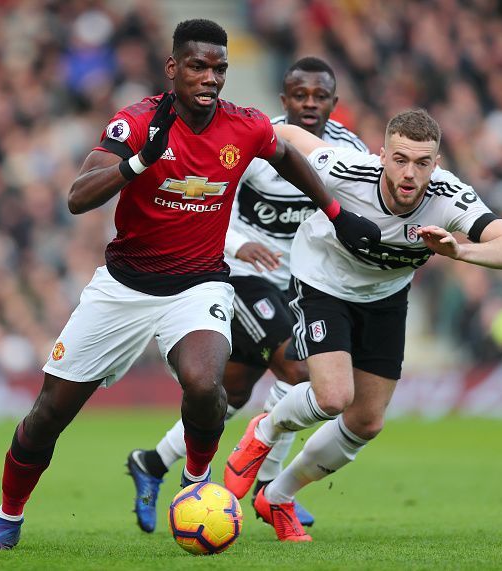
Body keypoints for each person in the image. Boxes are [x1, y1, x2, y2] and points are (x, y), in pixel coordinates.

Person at [0, 19, 381, 551]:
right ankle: (8, 516)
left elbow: (288, 157)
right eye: (198, 66)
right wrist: (140, 160)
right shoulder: (136, 122)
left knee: (204, 382)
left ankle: (194, 484)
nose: (210, 78)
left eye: (219, 69)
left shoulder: (246, 126)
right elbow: (78, 197)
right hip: (123, 287)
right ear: (173, 68)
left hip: (200, 285)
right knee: (49, 413)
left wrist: (336, 212)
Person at [224, 109, 502, 542]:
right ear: (382, 155)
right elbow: (289, 134)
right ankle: (264, 429)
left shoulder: (449, 195)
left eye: (422, 163)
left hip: (386, 297)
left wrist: (459, 251)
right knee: (334, 397)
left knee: (366, 422)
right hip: (324, 282)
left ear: (437, 163)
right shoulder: (347, 170)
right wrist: (234, 128)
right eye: (400, 159)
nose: (410, 174)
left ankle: (278, 496)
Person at [126, 56, 369, 533]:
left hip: (300, 285)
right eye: (300, 95)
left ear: (334, 104)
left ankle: (151, 463)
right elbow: (209, 201)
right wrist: (241, 244)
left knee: (232, 392)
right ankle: (268, 489)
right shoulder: (258, 140)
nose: (310, 104)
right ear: (285, 99)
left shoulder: (348, 150)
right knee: (299, 371)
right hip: (240, 274)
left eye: (320, 97)